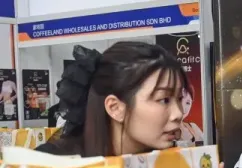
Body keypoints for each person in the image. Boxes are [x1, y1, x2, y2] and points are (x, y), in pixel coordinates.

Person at [36, 41, 187, 156]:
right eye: (164, 99)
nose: (178, 114)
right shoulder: (51, 164)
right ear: (115, 107)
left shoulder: (174, 164)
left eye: (180, 98)